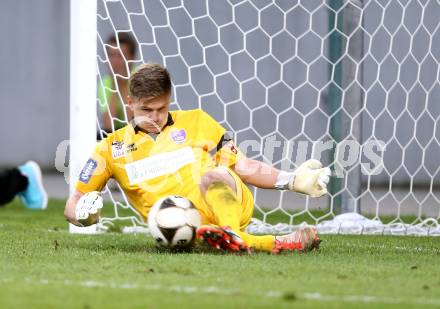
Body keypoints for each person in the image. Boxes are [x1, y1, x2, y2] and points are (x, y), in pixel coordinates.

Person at [65, 63, 331, 254]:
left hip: (229, 202)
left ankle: (234, 234)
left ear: (169, 99)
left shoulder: (197, 120)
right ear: (130, 101)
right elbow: (73, 204)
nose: (155, 117)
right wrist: (85, 218)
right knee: (179, 220)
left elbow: (245, 167)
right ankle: (258, 241)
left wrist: (293, 180)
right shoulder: (110, 149)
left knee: (214, 174)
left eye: (162, 108)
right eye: (146, 109)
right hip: (176, 228)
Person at [98, 32, 137, 135]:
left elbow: (133, 124)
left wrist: (124, 83)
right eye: (111, 55)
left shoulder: (141, 78)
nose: (114, 61)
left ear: (131, 57)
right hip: (117, 134)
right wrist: (115, 84)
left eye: (120, 55)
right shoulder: (105, 83)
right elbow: (108, 126)